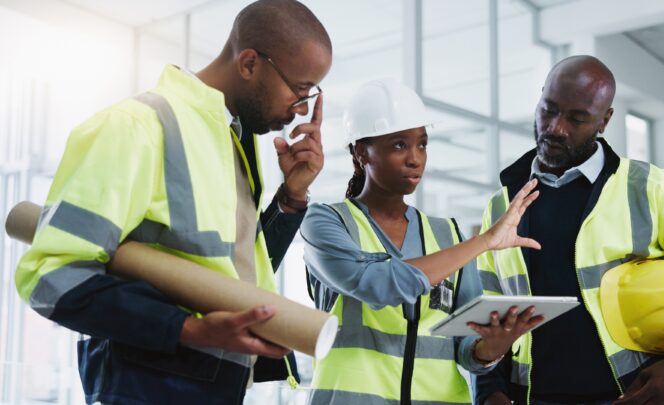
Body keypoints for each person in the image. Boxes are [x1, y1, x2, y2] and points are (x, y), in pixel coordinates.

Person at [14, 1, 331, 403]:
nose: (302, 108)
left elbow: (234, 272)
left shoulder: (233, 140)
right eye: (300, 90)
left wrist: (291, 197)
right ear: (249, 64)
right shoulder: (137, 127)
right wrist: (186, 328)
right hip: (145, 387)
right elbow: (50, 275)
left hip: (214, 386)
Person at [475, 55, 664, 405]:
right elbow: (487, 311)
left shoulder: (652, 189)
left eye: (577, 118)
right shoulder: (501, 203)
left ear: (604, 120)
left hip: (634, 395)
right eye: (548, 110)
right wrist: (489, 390)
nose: (556, 128)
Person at [300, 79, 544, 404]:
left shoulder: (448, 235)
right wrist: (484, 241)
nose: (415, 159)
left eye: (423, 144)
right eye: (399, 145)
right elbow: (377, 285)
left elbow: (467, 350)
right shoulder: (327, 223)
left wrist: (494, 346)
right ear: (361, 153)